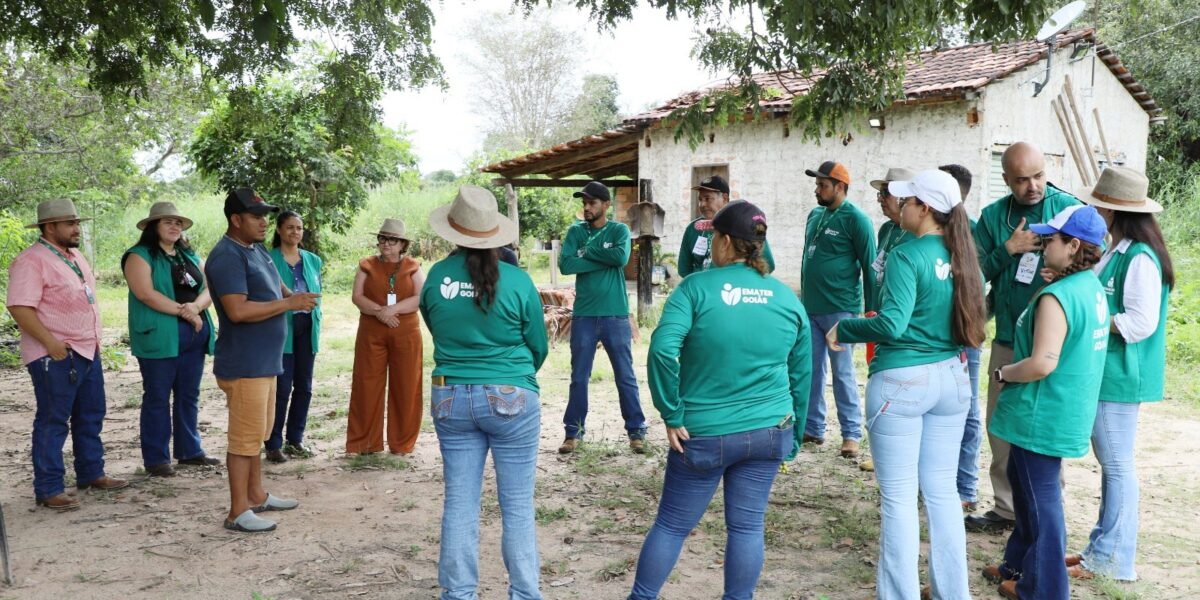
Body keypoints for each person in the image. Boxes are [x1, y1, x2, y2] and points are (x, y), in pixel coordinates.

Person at [629, 200, 811, 600]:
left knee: (672, 526)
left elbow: (662, 350)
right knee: (747, 527)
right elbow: (801, 373)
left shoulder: (695, 288)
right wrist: (795, 434)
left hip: (703, 433)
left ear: (725, 241)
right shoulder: (786, 298)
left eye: (713, 237)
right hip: (769, 431)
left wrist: (671, 412)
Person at [829, 170, 987, 599]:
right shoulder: (963, 255)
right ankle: (953, 592)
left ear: (926, 208)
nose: (900, 206)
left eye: (907, 200)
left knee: (899, 499)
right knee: (943, 493)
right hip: (952, 379)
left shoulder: (906, 254)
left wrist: (845, 329)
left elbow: (892, 324)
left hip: (903, 380)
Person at [420, 186, 549, 600]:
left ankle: (458, 594)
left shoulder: (436, 276)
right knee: (518, 505)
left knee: (459, 502)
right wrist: (514, 375)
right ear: (494, 233)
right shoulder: (518, 280)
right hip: (511, 393)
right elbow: (539, 344)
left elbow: (436, 327)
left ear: (454, 231)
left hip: (450, 395)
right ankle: (524, 594)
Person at [985, 205, 1110, 600]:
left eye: (1051, 239)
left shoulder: (1058, 297)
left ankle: (1045, 589)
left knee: (1041, 505)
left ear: (1073, 246)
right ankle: (1018, 565)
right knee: (1026, 491)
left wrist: (1004, 373)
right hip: (1062, 408)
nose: (1043, 245)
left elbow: (1042, 363)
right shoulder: (1089, 286)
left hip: (1040, 413)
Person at [968, 142, 1080, 532]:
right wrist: (1008, 249)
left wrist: (1065, 273)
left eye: (1038, 176)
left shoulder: (1068, 209)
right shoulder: (993, 217)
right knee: (1000, 425)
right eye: (1021, 180)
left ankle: (1044, 510)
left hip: (1050, 344)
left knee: (1041, 428)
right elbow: (972, 275)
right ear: (1006, 180)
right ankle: (1005, 509)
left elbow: (1094, 264)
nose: (1032, 186)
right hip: (1007, 339)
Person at [1070, 167, 1172, 581]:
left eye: (1096, 205)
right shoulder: (1119, 250)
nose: (1092, 211)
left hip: (1120, 375)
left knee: (1117, 466)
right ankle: (1100, 548)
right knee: (1112, 465)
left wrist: (1094, 319)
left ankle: (1111, 560)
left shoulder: (1139, 258)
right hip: (1108, 372)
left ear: (1111, 212)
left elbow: (1141, 322)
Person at [205, 188, 318, 533]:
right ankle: (237, 512)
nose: (264, 222)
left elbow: (278, 286)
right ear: (235, 219)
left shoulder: (255, 249)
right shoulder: (227, 256)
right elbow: (237, 311)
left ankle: (255, 495)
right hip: (245, 364)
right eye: (256, 217)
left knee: (256, 434)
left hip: (264, 362)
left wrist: (293, 295)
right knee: (244, 440)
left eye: (265, 215)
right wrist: (288, 305)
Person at [7, 199, 128, 511]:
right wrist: (51, 343)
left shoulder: (74, 256)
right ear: (50, 227)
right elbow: (19, 306)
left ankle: (91, 472)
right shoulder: (31, 261)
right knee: (53, 420)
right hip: (55, 355)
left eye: (76, 223)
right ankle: (49, 488)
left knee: (91, 415)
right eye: (70, 224)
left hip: (86, 350)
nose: (76, 229)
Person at [122, 201, 219, 478]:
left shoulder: (188, 255)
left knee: (189, 395)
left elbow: (211, 286)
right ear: (153, 226)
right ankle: (156, 458)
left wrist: (196, 307)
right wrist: (185, 312)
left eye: (178, 223)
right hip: (159, 336)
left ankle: (190, 451)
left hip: (193, 336)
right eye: (168, 222)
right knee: (157, 396)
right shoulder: (139, 256)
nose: (175, 227)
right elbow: (145, 294)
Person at [557, 180, 648, 454]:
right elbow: (566, 264)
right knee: (579, 377)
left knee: (625, 376)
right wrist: (601, 256)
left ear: (606, 204)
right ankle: (573, 433)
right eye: (584, 203)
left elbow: (620, 258)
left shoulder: (619, 230)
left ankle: (636, 432)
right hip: (584, 315)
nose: (586, 207)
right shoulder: (576, 231)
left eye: (592, 202)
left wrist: (585, 251)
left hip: (615, 314)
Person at [800, 161, 877, 459]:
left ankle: (851, 434)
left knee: (842, 372)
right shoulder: (815, 215)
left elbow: (870, 266)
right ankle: (813, 427)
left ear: (840, 187)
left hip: (841, 310)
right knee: (811, 370)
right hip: (811, 308)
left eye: (823, 185)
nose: (817, 190)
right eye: (817, 184)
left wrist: (871, 313)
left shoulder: (857, 219)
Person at [346, 218, 425, 455]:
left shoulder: (413, 266)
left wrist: (393, 309)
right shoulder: (366, 265)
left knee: (407, 385)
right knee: (366, 384)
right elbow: (357, 296)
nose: (386, 244)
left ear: (402, 244)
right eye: (382, 238)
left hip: (406, 333)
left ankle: (402, 443)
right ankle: (364, 443)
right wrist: (381, 312)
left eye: (392, 240)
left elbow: (421, 297)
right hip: (371, 331)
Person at [939, 163, 985, 511]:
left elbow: (982, 279)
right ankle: (940, 484)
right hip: (937, 334)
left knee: (967, 410)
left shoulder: (972, 231)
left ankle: (966, 487)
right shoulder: (929, 232)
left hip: (965, 332)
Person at [265, 211, 323, 463]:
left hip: (307, 327)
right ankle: (273, 443)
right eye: (290, 227)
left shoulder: (312, 260)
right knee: (281, 388)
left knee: (304, 386)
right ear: (279, 230)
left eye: (299, 228)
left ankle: (295, 439)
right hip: (281, 329)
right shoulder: (268, 259)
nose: (295, 232)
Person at [676, 174, 775, 276]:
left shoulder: (743, 226)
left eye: (707, 198)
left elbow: (768, 266)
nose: (702, 204)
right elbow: (684, 270)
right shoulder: (692, 229)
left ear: (724, 198)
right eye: (700, 199)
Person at [865, 167, 916, 313]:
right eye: (880, 193)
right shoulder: (886, 229)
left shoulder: (917, 234)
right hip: (878, 314)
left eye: (886, 193)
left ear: (903, 197)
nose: (880, 199)